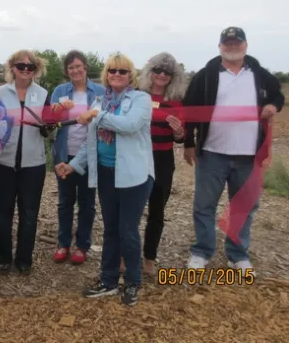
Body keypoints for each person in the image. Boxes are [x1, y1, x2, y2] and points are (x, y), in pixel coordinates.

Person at [56, 52, 154, 306]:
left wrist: (94, 115)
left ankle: (133, 282)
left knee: (128, 231)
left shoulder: (141, 99)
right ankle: (108, 280)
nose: (117, 75)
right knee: (111, 229)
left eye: (122, 71)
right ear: (106, 74)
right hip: (107, 173)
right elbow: (93, 142)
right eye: (112, 71)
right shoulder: (102, 100)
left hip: (134, 176)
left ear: (130, 75)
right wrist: (73, 165)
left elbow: (129, 125)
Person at [183, 27, 284, 273]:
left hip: (249, 156)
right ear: (219, 46)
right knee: (204, 206)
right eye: (227, 43)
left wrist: (272, 105)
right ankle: (202, 251)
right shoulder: (206, 75)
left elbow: (278, 96)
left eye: (236, 42)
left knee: (243, 207)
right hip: (212, 153)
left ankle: (237, 255)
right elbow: (190, 109)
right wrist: (188, 142)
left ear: (245, 45)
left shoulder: (259, 74)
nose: (232, 46)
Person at [0, 49, 50, 275]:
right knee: (3, 211)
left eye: (30, 67)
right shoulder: (1, 92)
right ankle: (3, 258)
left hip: (33, 163)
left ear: (36, 70)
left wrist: (47, 126)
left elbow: (48, 128)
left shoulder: (43, 94)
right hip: (2, 161)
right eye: (20, 66)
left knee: (29, 213)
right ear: (12, 68)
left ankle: (24, 259)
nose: (25, 70)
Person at [49, 50, 104, 265]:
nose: (75, 70)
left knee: (87, 203)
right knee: (65, 202)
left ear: (85, 68)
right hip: (65, 153)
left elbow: (104, 118)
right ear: (67, 71)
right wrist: (56, 110)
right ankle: (63, 244)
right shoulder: (60, 91)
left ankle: (82, 246)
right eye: (71, 67)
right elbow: (51, 119)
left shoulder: (99, 91)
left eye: (78, 66)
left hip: (90, 154)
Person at [137, 52, 186, 275]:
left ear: (173, 76)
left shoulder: (177, 101)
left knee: (157, 211)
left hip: (163, 159)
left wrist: (178, 132)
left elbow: (181, 137)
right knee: (132, 210)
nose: (162, 75)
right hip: (138, 157)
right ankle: (125, 254)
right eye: (158, 70)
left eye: (167, 71)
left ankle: (149, 257)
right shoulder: (137, 96)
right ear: (150, 72)